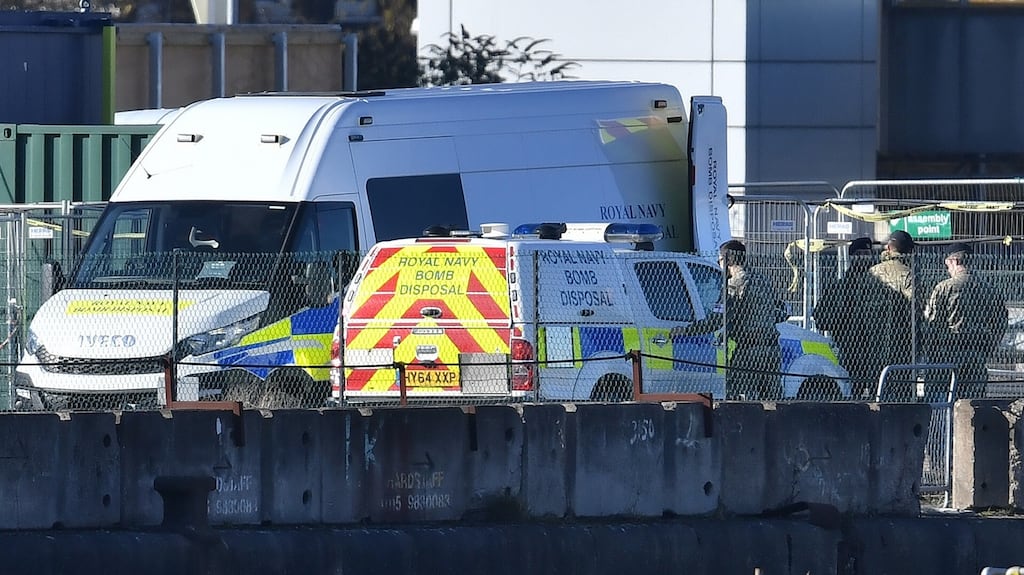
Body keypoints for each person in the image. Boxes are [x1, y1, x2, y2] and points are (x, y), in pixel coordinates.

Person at [924, 242, 1007, 400]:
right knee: (973, 403)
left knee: (941, 400)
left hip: (946, 354)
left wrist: (932, 350)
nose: (948, 269)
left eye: (947, 264)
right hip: (976, 353)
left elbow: (932, 323)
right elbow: (1000, 323)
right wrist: (988, 347)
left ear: (955, 261)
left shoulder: (944, 288)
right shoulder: (989, 289)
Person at [813, 237, 878, 398]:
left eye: (867, 253)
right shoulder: (840, 288)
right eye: (860, 254)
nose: (864, 258)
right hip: (850, 350)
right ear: (852, 257)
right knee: (850, 395)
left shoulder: (880, 285)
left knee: (878, 396)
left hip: (876, 351)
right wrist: (840, 319)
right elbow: (820, 317)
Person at [719, 239, 783, 400]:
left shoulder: (735, 283)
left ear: (729, 259)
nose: (719, 264)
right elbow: (782, 309)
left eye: (720, 259)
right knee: (771, 401)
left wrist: (686, 330)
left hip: (748, 350)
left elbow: (719, 317)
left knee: (739, 398)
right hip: (771, 349)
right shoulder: (763, 280)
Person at [868, 230, 922, 401]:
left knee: (877, 391)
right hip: (901, 340)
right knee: (903, 391)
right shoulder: (908, 273)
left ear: (889, 248)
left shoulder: (873, 272)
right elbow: (915, 307)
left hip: (873, 341)